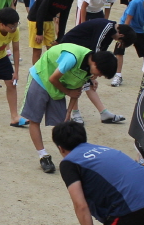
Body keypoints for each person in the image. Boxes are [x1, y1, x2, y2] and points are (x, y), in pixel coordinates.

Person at [22, 43, 119, 173]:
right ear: (95, 64)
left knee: (62, 123)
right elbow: (53, 78)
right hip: (41, 77)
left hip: (58, 87)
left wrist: (68, 113)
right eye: (101, 73)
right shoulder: (71, 58)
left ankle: (70, 156)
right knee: (35, 120)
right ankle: (43, 156)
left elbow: (76, 91)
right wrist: (67, 92)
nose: (99, 76)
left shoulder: (89, 69)